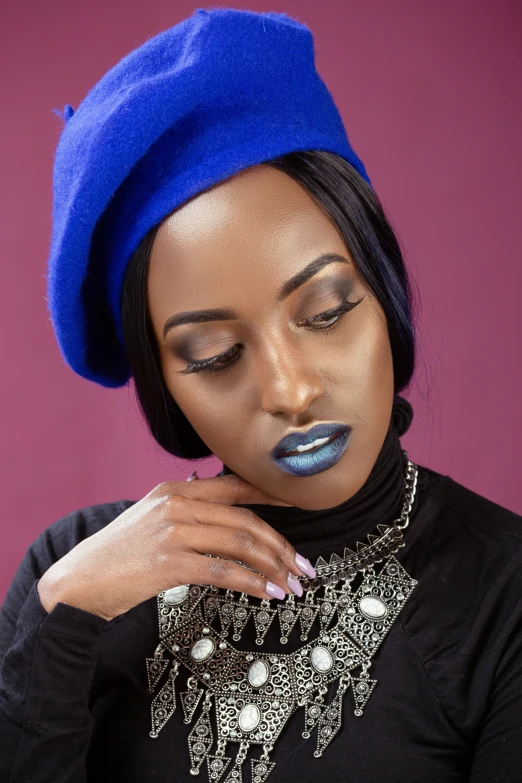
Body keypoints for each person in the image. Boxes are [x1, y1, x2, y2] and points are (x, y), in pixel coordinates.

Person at [1, 7, 520, 783]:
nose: (292, 388)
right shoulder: (73, 573)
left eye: (326, 312)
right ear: (165, 383)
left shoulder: (504, 595)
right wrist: (62, 617)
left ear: (384, 292)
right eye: (214, 356)